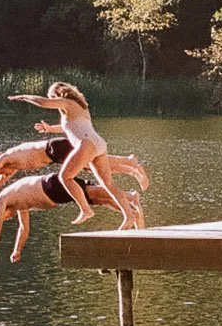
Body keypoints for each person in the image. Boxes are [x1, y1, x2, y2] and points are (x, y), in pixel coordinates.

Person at [7, 81, 131, 223]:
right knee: (108, 184)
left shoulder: (67, 102)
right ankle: (129, 216)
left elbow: (43, 103)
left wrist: (24, 97)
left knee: (65, 177)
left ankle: (85, 209)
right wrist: (50, 129)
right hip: (98, 144)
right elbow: (70, 126)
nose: (53, 101)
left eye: (52, 97)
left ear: (58, 94)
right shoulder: (79, 106)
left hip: (87, 144)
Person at [0, 136, 148, 226]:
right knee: (92, 165)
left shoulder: (5, 159)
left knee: (91, 165)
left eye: (0, 173)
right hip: (54, 153)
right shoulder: (12, 167)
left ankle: (128, 162)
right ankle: (128, 165)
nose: (2, 176)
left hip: (54, 148)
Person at [0, 165, 129, 264]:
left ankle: (130, 197)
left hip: (51, 185)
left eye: (5, 217)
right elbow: (23, 228)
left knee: (94, 193)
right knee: (98, 200)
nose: (8, 218)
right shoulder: (20, 203)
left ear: (1, 211)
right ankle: (131, 211)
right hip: (53, 193)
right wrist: (17, 250)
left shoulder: (3, 198)